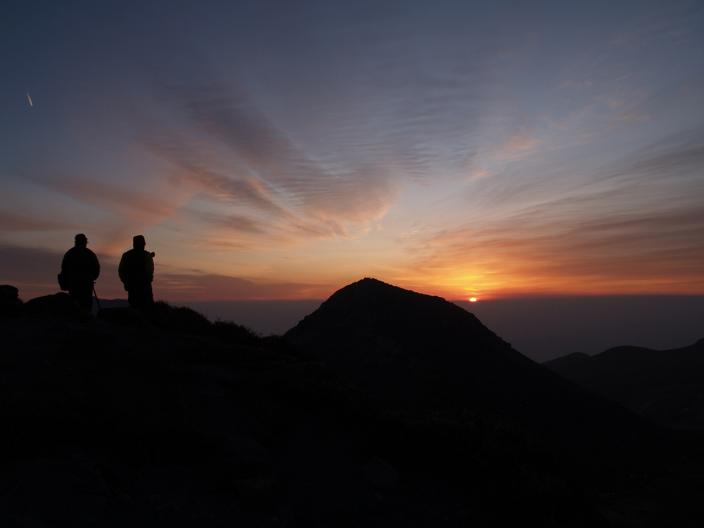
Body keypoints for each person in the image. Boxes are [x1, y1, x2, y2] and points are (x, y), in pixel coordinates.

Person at [60, 233, 100, 311]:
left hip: (73, 284)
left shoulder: (69, 254)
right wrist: (92, 277)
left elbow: (64, 269)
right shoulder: (90, 254)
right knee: (86, 305)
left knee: (74, 305)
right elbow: (96, 269)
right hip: (86, 284)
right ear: (85, 242)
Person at [118, 235, 155, 308]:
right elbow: (150, 270)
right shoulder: (146, 255)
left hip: (135, 287)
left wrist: (126, 283)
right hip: (140, 288)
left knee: (136, 308)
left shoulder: (127, 255)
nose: (144, 244)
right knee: (145, 309)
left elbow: (121, 271)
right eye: (143, 243)